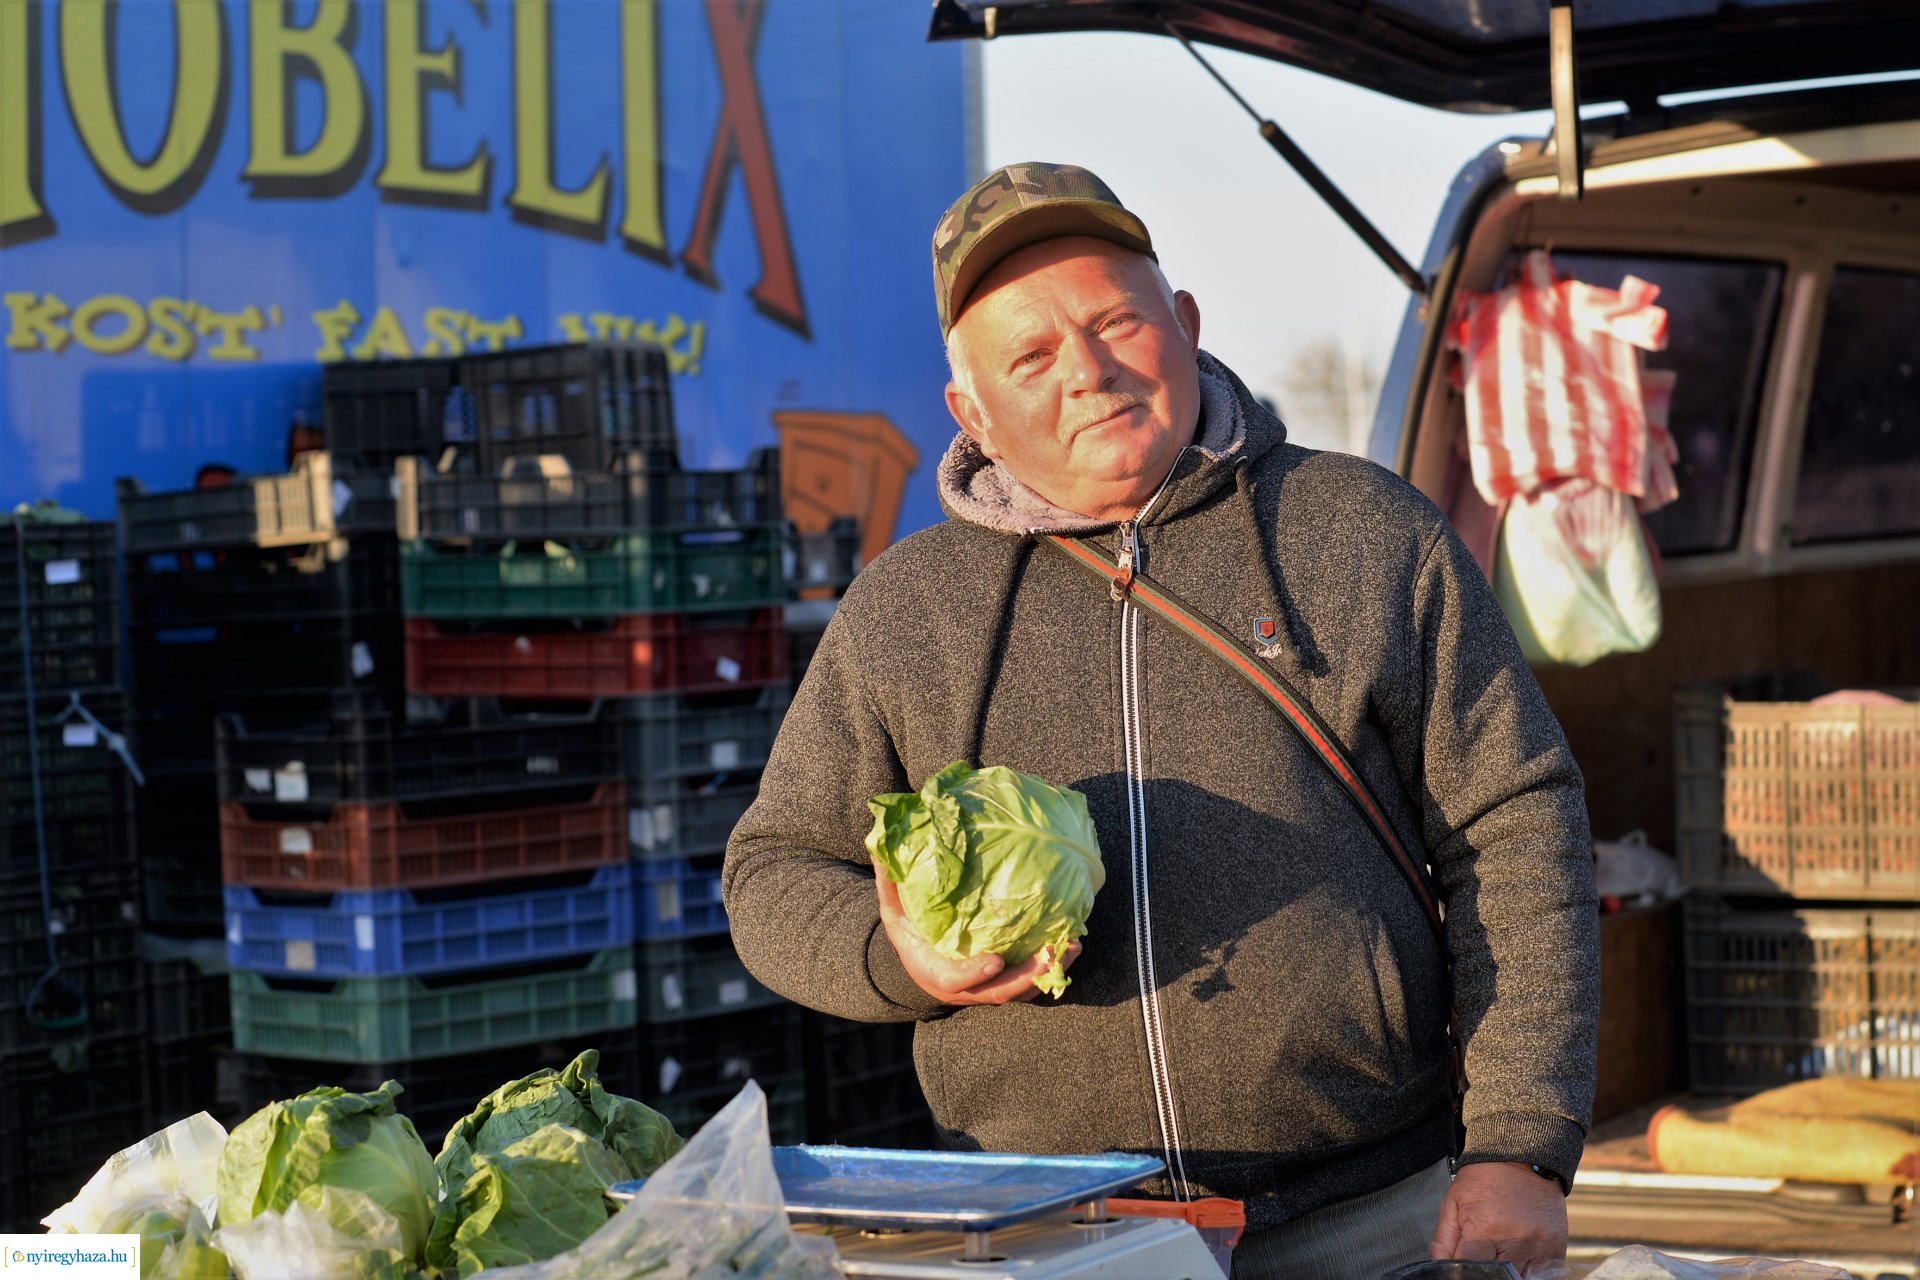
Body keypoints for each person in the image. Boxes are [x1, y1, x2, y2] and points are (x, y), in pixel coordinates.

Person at [724, 162, 1599, 1278]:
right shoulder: (908, 608)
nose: (1087, 373)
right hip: (1051, 1240)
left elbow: (1515, 829)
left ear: (1183, 325)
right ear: (972, 411)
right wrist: (900, 957)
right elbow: (771, 871)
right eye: (1031, 357)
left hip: (1378, 1219)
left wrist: (1521, 1143)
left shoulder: (1362, 532)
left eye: (1116, 322)